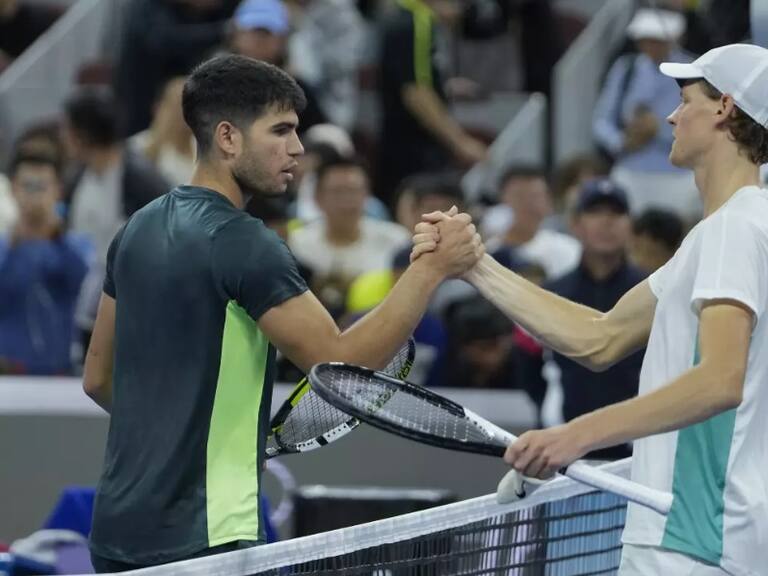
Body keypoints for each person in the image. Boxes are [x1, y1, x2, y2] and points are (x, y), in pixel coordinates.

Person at [82, 54, 481, 572]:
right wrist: (429, 270)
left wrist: (175, 435)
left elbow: (97, 379)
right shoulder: (245, 242)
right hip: (204, 539)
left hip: (115, 532)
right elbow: (341, 364)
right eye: (281, 130)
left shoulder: (136, 228)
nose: (297, 148)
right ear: (228, 138)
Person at [413, 43, 768, 575]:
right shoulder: (726, 231)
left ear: (725, 108)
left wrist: (573, 437)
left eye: (685, 100)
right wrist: (476, 265)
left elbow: (720, 381)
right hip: (700, 533)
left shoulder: (734, 230)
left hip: (696, 535)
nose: (671, 116)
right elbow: (600, 338)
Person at [543, 178, 646, 459]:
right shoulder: (552, 293)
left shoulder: (651, 291)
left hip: (636, 447)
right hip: (562, 443)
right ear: (576, 224)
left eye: (616, 213)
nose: (606, 222)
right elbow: (530, 364)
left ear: (629, 225)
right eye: (595, 212)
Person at [593, 8, 701, 223]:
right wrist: (622, 142)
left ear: (674, 39)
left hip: (679, 172)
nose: (651, 46)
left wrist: (659, 131)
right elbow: (601, 121)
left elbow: (702, 120)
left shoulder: (693, 69)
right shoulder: (626, 68)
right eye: (645, 40)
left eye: (658, 40)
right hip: (630, 168)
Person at [0, 150, 91, 375]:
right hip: (9, 370)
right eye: (27, 186)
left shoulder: (75, 245)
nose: (34, 195)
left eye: (41, 186)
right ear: (13, 189)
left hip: (59, 370)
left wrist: (57, 235)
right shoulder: (4, 247)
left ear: (57, 190)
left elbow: (86, 287)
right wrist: (13, 244)